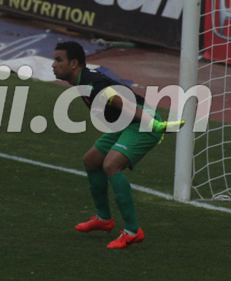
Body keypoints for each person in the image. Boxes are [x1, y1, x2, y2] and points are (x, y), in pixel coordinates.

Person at [52, 41, 184, 248]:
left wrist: (154, 125)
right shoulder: (83, 81)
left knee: (111, 165)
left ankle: (132, 231)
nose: (53, 65)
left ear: (73, 63)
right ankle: (104, 219)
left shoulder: (93, 84)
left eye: (58, 60)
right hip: (125, 125)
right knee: (92, 160)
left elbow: (124, 104)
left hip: (141, 122)